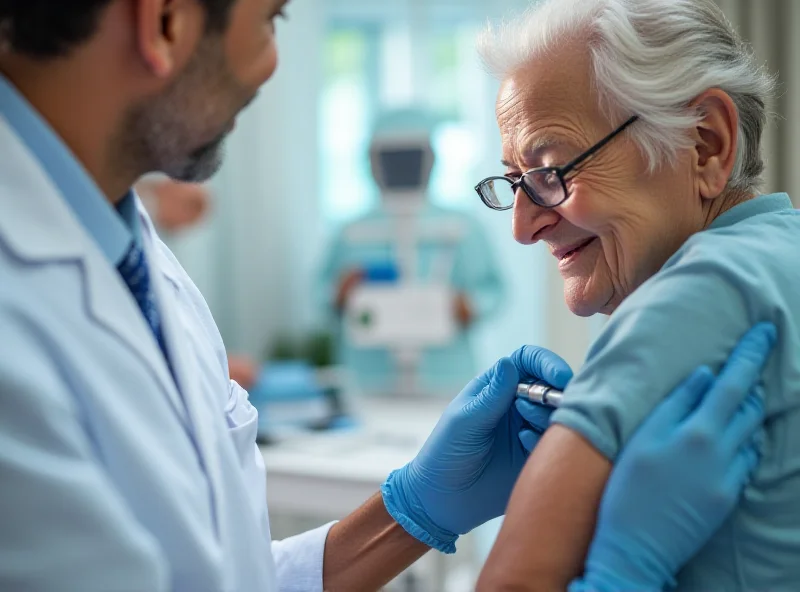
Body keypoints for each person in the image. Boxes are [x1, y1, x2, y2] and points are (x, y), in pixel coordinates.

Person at [0, 1, 775, 591]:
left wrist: (410, 512)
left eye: (551, 169)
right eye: (271, 21)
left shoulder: (138, 262)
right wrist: (620, 571)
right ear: (164, 21)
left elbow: (221, 575)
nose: (271, 67)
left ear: (707, 145)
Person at [472, 0, 800, 590]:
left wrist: (624, 569)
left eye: (552, 171)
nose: (522, 228)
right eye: (516, 183)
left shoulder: (696, 294)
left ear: (705, 143)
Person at [319, 108, 505, 395]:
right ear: (371, 160)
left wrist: (470, 305)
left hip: (446, 376)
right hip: (368, 378)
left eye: (411, 156)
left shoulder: (462, 227)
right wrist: (338, 294)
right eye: (392, 157)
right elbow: (319, 293)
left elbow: (495, 289)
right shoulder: (350, 233)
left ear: (431, 159)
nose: (401, 166)